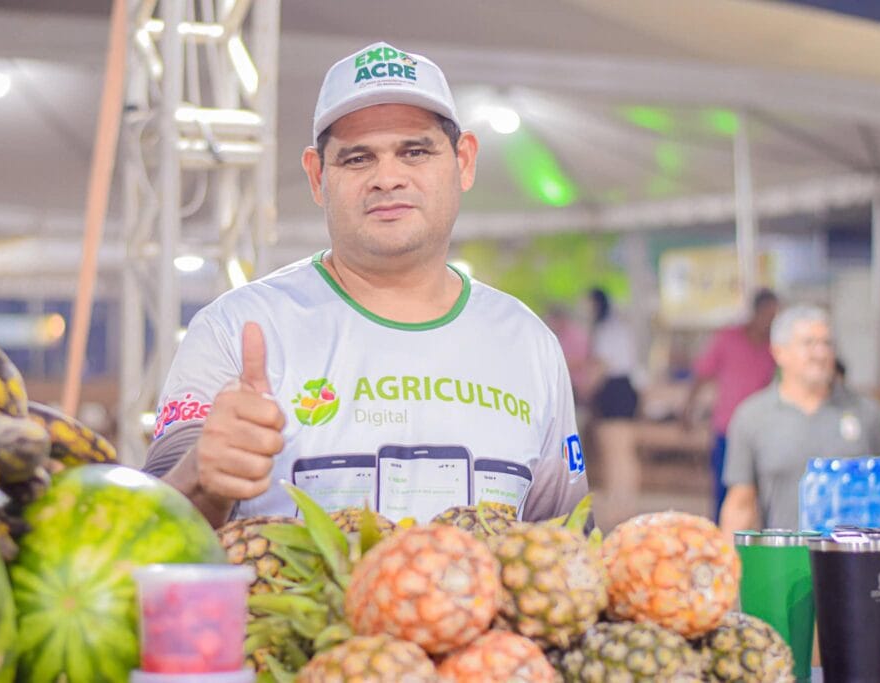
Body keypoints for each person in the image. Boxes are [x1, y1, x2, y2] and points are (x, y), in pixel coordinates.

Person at [141, 41, 589, 528]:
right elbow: (152, 531)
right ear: (317, 177)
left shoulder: (527, 343)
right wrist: (201, 476)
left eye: (414, 151)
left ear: (463, 161)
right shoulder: (235, 330)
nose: (387, 178)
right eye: (357, 159)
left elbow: (564, 538)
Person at [719, 305, 880, 534]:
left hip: (855, 562)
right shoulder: (752, 417)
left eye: (827, 343)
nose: (821, 353)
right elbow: (740, 505)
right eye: (808, 343)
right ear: (779, 352)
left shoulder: (866, 413)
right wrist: (729, 565)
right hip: (785, 562)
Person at [684, 289, 778, 522]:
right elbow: (703, 374)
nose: (770, 321)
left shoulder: (775, 348)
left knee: (766, 493)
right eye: (767, 315)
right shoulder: (728, 338)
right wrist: (688, 409)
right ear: (756, 313)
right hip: (728, 429)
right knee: (726, 492)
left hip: (765, 432)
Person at [585, 288, 640, 527]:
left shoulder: (606, 330)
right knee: (622, 451)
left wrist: (588, 391)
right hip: (625, 388)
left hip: (613, 389)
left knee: (616, 452)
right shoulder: (618, 328)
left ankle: (620, 505)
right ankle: (624, 503)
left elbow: (602, 365)